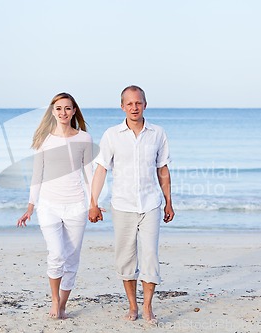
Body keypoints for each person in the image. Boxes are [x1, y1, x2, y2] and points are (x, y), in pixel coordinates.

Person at [88, 85, 175, 324]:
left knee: (150, 257)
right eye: (129, 103)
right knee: (125, 257)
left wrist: (169, 202)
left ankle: (147, 307)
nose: (134, 107)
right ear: (122, 106)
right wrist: (93, 202)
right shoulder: (112, 135)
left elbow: (163, 170)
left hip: (150, 205)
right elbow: (101, 169)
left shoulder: (157, 133)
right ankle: (132, 305)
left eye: (138, 103)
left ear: (145, 104)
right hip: (123, 205)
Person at [17, 92, 93, 320]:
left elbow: (88, 174)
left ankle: (62, 304)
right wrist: (31, 206)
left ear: (74, 111)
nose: (63, 113)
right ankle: (53, 300)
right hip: (48, 206)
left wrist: (94, 203)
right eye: (59, 108)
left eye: (67, 108)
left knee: (72, 259)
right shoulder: (44, 139)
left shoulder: (84, 139)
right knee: (56, 254)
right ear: (52, 111)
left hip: (76, 205)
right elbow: (37, 175)